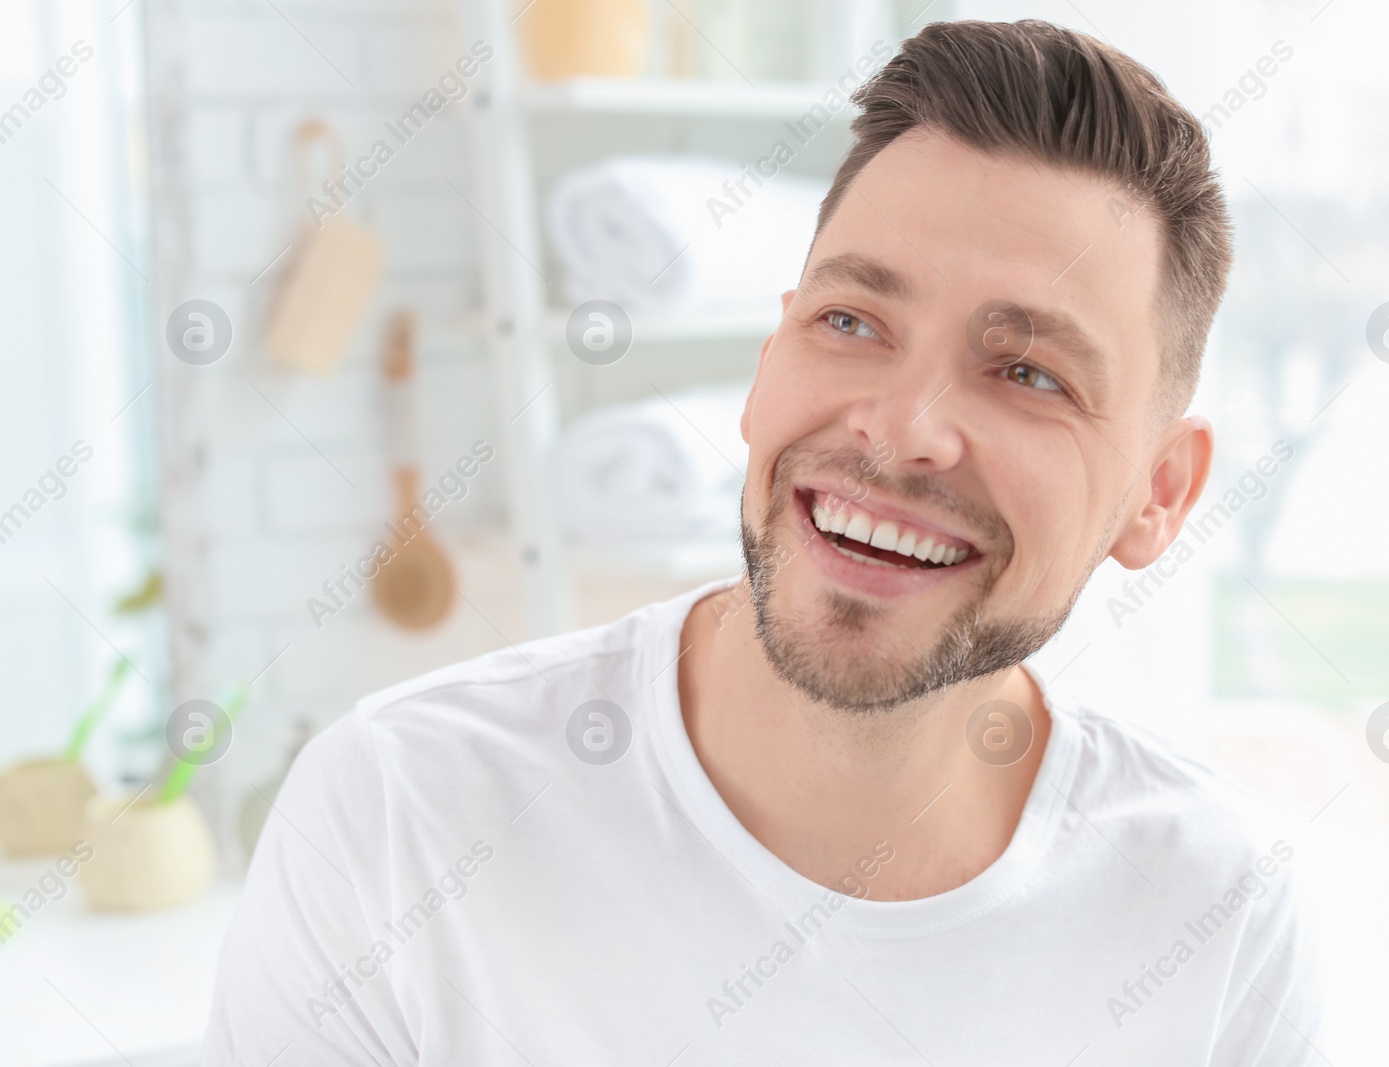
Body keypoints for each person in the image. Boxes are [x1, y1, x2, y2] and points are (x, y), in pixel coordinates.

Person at [204, 19, 1320, 1065]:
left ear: (1159, 493)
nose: (900, 428)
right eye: (850, 322)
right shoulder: (402, 809)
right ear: (766, 358)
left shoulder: (1213, 911)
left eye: (1027, 373)